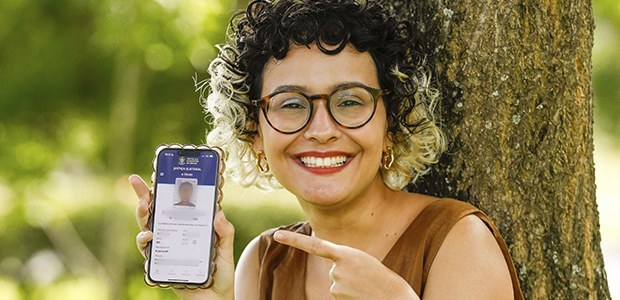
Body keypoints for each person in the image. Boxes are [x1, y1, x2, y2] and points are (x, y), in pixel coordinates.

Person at [130, 0, 525, 299]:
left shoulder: (459, 242)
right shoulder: (263, 262)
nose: (321, 130)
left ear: (392, 124)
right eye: (291, 104)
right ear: (255, 135)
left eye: (350, 101)